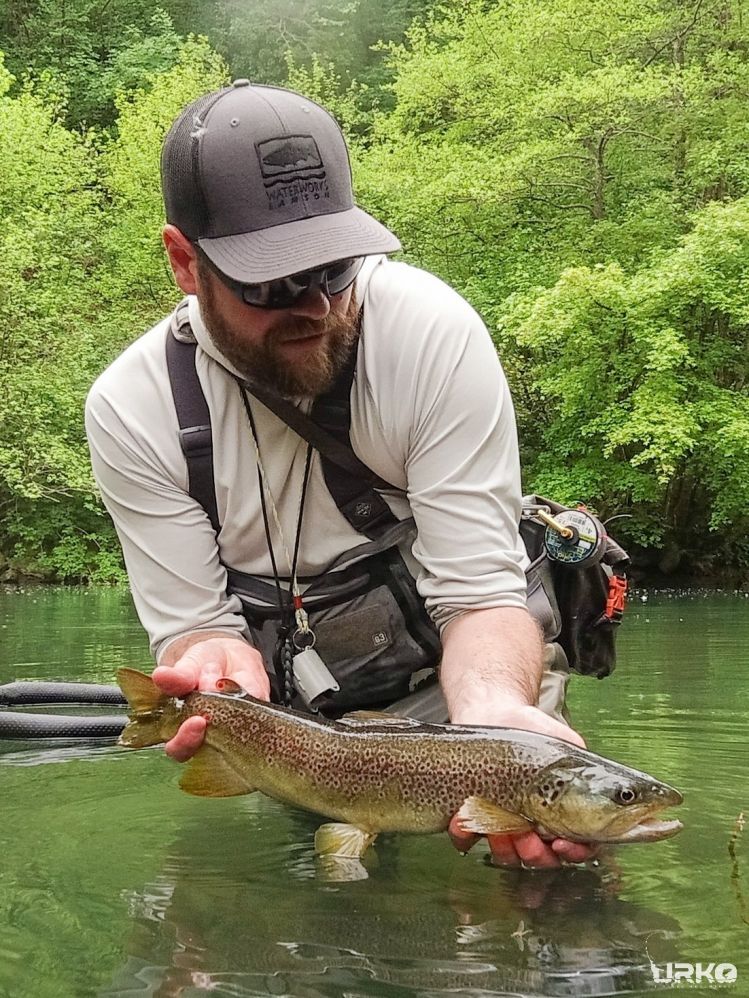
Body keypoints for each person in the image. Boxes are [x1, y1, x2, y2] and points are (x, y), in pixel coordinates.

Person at [86, 79, 595, 868]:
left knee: (549, 875)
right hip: (301, 729)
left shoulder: (428, 333)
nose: (316, 307)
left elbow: (480, 593)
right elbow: (196, 624)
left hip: (458, 679)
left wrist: (493, 714)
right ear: (185, 263)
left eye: (332, 270)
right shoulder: (134, 408)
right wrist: (210, 657)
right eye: (272, 284)